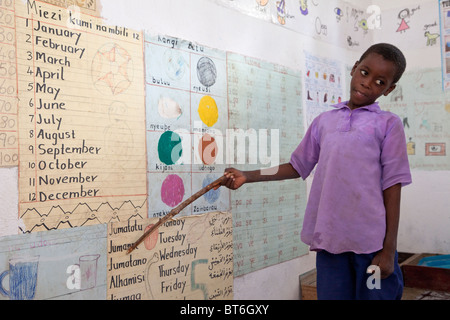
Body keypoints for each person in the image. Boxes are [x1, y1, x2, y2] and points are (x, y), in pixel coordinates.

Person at [219, 43, 412, 300]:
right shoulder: (324, 121)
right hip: (330, 242)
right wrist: (248, 175)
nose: (367, 83)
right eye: (364, 73)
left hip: (371, 245)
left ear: (389, 89)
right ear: (354, 68)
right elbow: (297, 166)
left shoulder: (388, 124)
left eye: (379, 81)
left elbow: (393, 186)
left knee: (376, 296)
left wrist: (389, 249)